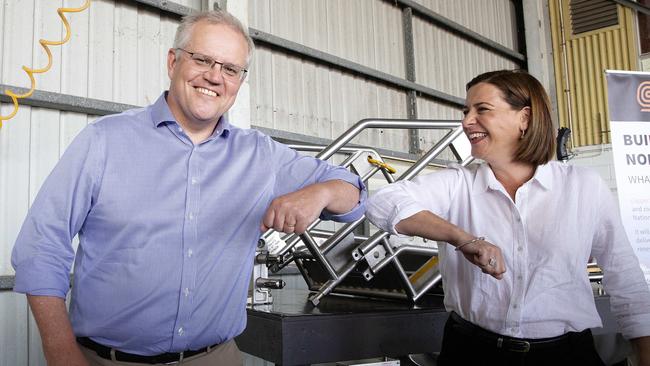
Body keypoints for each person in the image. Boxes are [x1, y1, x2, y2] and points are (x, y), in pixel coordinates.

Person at [11, 9, 366, 366]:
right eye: (202, 59)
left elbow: (355, 193)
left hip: (215, 358)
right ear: (173, 61)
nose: (214, 77)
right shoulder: (103, 141)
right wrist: (60, 353)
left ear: (240, 80)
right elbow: (41, 248)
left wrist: (318, 193)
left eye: (230, 69)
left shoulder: (260, 155)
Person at [366, 70, 650, 365]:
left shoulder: (583, 186)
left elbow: (624, 276)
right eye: (465, 111)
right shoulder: (459, 183)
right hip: (473, 352)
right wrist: (462, 239)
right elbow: (382, 203)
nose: (466, 121)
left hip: (564, 356)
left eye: (482, 110)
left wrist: (645, 353)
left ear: (524, 118)